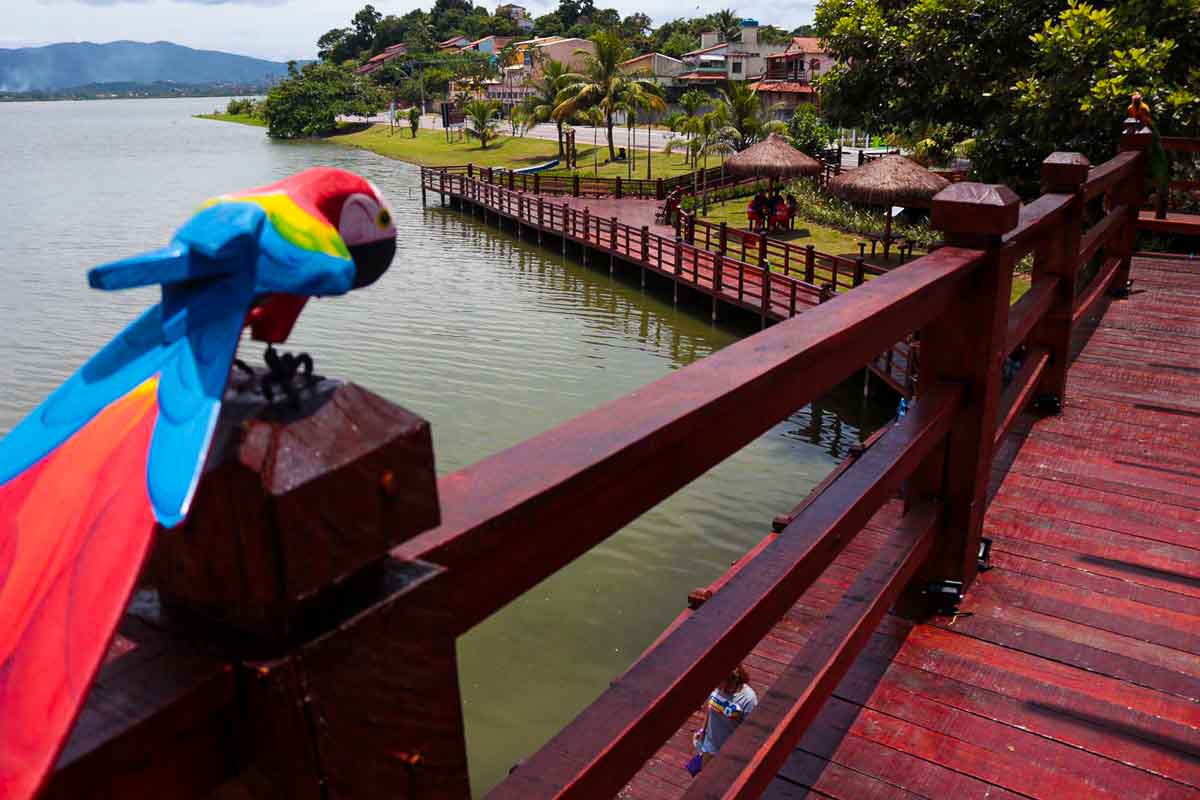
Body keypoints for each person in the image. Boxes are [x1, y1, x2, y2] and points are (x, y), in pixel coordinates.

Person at [686, 665, 757, 775]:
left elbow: (749, 731)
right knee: (706, 778)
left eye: (719, 682)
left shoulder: (748, 698)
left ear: (730, 680)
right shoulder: (717, 688)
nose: (716, 686)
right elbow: (710, 710)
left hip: (730, 748)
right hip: (710, 743)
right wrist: (703, 731)